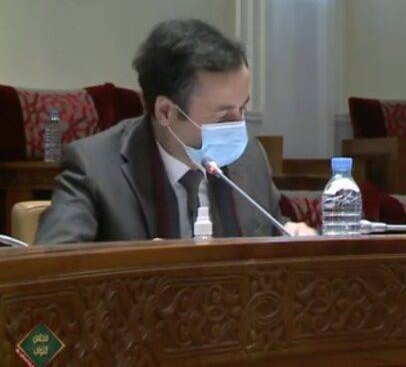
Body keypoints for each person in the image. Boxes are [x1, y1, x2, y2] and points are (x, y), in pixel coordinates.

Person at [35, 19, 318, 244]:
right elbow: (54, 268)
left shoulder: (249, 158)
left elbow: (270, 229)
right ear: (165, 112)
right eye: (223, 117)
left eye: (242, 108)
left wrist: (291, 233)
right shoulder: (94, 167)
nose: (237, 127)